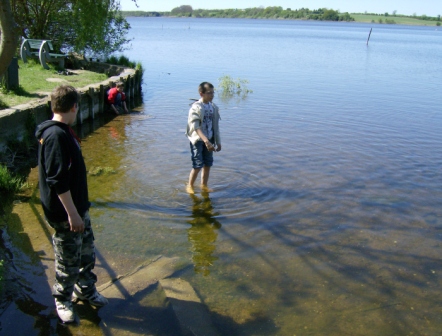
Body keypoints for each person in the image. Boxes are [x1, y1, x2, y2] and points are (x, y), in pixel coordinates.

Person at [35, 85, 108, 323]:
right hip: (66, 213)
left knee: (86, 253)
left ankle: (86, 290)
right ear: (74, 106)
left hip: (78, 209)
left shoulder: (63, 131)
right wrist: (73, 214)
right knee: (68, 259)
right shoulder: (56, 136)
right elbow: (57, 181)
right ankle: (62, 299)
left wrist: (80, 211)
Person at [186, 82, 221, 192]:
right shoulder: (196, 107)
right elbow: (196, 127)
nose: (212, 95)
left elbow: (215, 126)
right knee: (197, 165)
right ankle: (190, 186)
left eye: (213, 92)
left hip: (209, 139)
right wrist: (206, 141)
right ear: (201, 94)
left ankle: (203, 186)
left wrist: (218, 141)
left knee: (208, 164)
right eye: (209, 93)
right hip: (198, 140)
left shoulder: (213, 107)